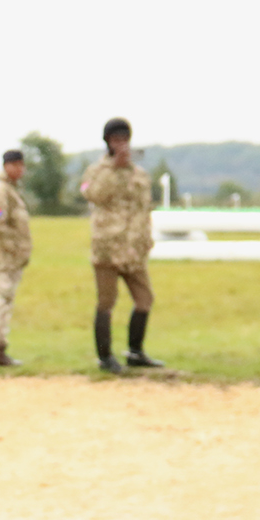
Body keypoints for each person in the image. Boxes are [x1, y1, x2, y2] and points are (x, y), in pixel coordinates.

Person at [81, 117, 163, 374]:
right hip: (107, 247)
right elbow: (93, 195)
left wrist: (145, 240)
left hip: (133, 250)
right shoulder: (96, 171)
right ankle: (105, 356)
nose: (121, 144)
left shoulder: (140, 174)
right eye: (116, 140)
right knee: (106, 302)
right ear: (108, 142)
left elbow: (144, 208)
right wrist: (113, 169)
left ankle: (135, 352)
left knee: (144, 299)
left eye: (124, 139)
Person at [0, 148, 32, 366]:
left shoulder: (11, 190)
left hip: (13, 255)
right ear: (6, 166)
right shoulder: (1, 191)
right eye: (16, 165)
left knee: (4, 299)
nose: (20, 169)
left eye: (22, 165)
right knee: (1, 299)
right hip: (5, 255)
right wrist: (12, 247)